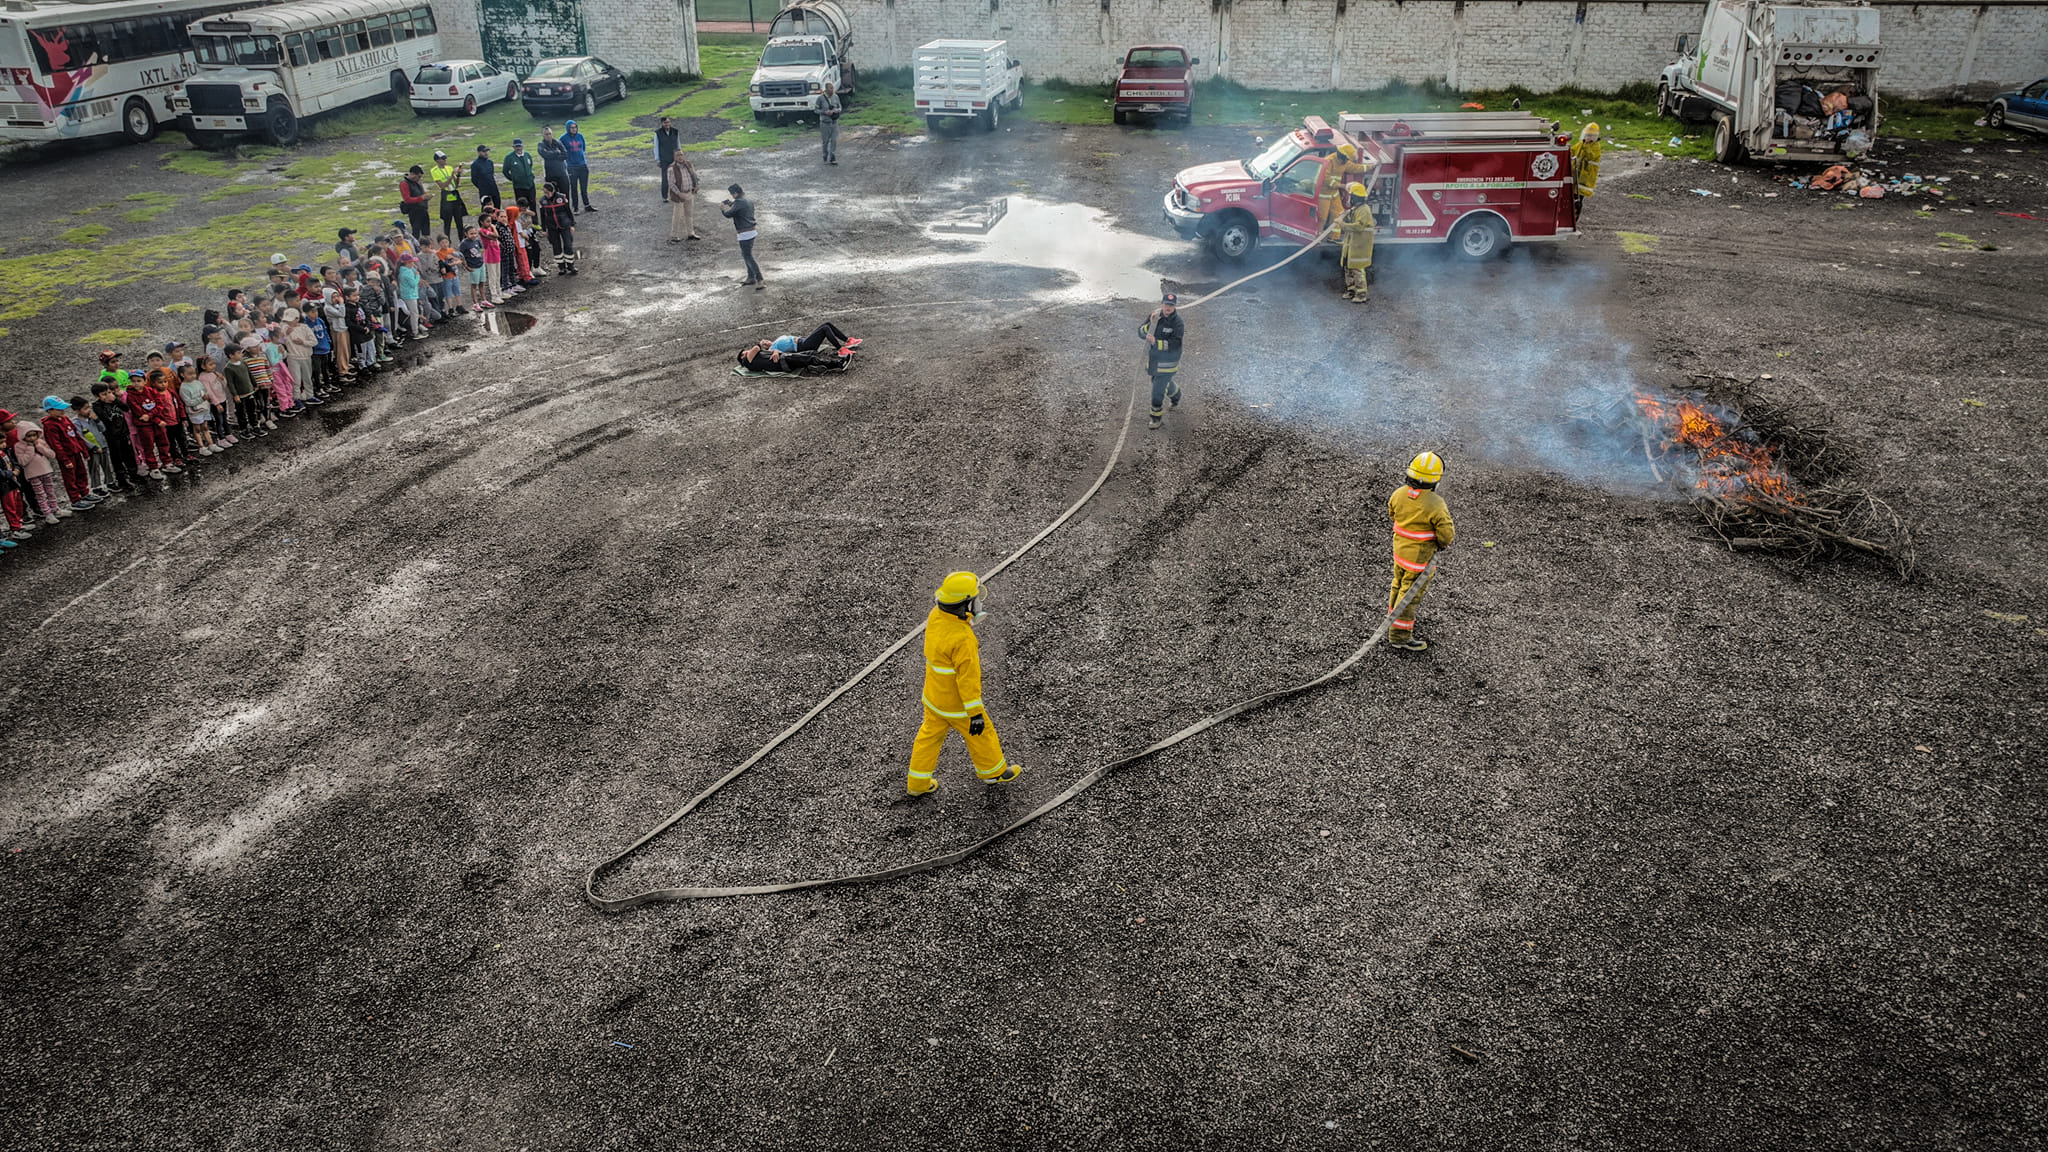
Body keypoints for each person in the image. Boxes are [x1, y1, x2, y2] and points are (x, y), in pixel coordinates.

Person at [906, 571, 1022, 795]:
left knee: (928, 739)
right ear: (965, 604)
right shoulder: (964, 639)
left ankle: (917, 785)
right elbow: (968, 680)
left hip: (933, 698)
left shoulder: (935, 617)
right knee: (982, 734)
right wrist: (975, 713)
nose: (978, 603)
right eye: (975, 599)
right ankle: (994, 773)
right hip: (958, 706)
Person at [1386, 451, 1454, 652]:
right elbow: (1446, 533)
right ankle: (1400, 636)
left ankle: (1392, 620)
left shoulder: (1398, 494)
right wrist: (1441, 543)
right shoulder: (1435, 504)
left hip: (1399, 554)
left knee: (1397, 586)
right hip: (1419, 562)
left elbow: (1392, 514)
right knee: (1409, 596)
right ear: (1435, 481)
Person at [38, 398, 96, 508]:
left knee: (81, 473)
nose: (62, 411)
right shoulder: (50, 425)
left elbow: (76, 435)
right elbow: (56, 445)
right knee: (70, 478)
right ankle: (75, 500)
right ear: (49, 410)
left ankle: (84, 493)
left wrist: (84, 451)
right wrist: (65, 459)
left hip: (76, 452)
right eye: (59, 409)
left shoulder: (65, 419)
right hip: (67, 456)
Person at [1139, 292, 1183, 429]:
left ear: (1175, 306)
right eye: (1166, 304)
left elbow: (1175, 344)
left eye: (1171, 305)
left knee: (1157, 390)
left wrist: (1156, 342)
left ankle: (1156, 418)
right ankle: (1176, 395)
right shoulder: (1155, 317)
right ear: (1162, 304)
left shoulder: (1178, 323)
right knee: (1158, 382)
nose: (1168, 307)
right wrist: (1150, 323)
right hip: (1155, 360)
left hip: (1168, 363)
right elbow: (1140, 333)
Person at [13, 426, 68, 524]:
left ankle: (55, 509)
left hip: (46, 471)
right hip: (33, 474)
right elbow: (23, 462)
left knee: (50, 491)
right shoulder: (18, 446)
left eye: (34, 435)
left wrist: (39, 447)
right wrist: (30, 448)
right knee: (40, 495)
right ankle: (47, 514)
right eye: (28, 436)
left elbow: (52, 455)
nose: (32, 438)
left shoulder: (40, 442)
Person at [90, 383, 140, 490]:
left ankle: (133, 474)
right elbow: (104, 418)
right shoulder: (97, 406)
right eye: (104, 394)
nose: (108, 396)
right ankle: (121, 479)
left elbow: (126, 408)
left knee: (129, 454)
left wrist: (115, 400)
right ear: (97, 396)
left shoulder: (115, 401)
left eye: (109, 392)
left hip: (123, 432)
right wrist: (107, 401)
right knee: (117, 457)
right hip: (112, 437)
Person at [1316, 142, 1367, 240]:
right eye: (1347, 158)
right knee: (1322, 218)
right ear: (1343, 156)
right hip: (1323, 194)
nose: (1347, 161)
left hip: (1334, 194)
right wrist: (1343, 186)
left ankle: (1334, 237)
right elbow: (1325, 178)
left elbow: (1354, 168)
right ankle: (1317, 238)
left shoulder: (1344, 162)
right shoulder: (1329, 161)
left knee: (1338, 214)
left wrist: (1370, 166)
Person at [1338, 180, 1375, 304]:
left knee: (1357, 269)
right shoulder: (1356, 208)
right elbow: (1352, 220)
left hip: (1359, 245)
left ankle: (1362, 294)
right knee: (1348, 267)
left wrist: (1342, 224)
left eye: (1350, 195)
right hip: (1352, 244)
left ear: (1355, 196)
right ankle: (1351, 290)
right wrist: (1345, 215)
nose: (1349, 198)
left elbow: (1358, 227)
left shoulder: (1364, 210)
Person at [721, 183, 762, 288]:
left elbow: (729, 214)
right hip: (751, 231)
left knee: (748, 256)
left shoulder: (738, 202)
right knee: (746, 255)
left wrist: (722, 209)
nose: (731, 196)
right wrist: (731, 204)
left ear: (735, 193)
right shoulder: (747, 200)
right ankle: (751, 277)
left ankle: (759, 279)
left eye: (732, 194)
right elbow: (739, 209)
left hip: (744, 233)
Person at [539, 183, 578, 275]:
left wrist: (572, 224)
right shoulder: (542, 201)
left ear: (553, 191)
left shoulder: (562, 198)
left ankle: (570, 265)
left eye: (548, 192)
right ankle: (561, 267)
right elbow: (542, 216)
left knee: (568, 245)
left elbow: (568, 211)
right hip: (552, 227)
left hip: (564, 224)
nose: (546, 195)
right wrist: (544, 229)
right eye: (544, 193)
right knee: (556, 247)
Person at [431, 149, 468, 235]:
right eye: (443, 158)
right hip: (446, 194)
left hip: (454, 193)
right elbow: (442, 186)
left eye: (445, 158)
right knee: (447, 221)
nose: (445, 160)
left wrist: (458, 175)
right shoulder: (434, 171)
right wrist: (451, 175)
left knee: (459, 219)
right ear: (437, 160)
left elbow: (456, 184)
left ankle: (461, 238)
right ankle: (447, 240)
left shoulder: (449, 168)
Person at [665, 152, 700, 243]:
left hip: (689, 193)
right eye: (678, 155)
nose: (680, 157)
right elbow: (671, 183)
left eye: (681, 155)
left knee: (689, 214)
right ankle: (674, 235)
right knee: (677, 215)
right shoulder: (671, 168)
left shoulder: (688, 164)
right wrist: (679, 193)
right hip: (679, 196)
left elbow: (694, 175)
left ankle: (690, 233)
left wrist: (696, 185)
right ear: (674, 157)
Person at [459, 225, 491, 311]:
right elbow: (460, 256)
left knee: (482, 283)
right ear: (466, 234)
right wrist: (466, 266)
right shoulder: (464, 244)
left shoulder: (477, 241)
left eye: (475, 233)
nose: (473, 235)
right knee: (474, 285)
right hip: (473, 267)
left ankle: (484, 300)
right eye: (471, 234)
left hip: (481, 264)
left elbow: (480, 250)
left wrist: (482, 260)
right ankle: (475, 303)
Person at [562, 119, 592, 211]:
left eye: (575, 127)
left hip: (582, 165)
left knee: (584, 187)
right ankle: (575, 207)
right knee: (574, 188)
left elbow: (583, 148)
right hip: (571, 166)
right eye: (572, 128)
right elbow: (561, 150)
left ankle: (587, 205)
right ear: (568, 128)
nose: (574, 129)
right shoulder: (563, 138)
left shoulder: (580, 136)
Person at [538, 125, 571, 202]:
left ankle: (567, 211)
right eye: (546, 134)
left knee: (565, 195)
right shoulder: (541, 145)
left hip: (562, 173)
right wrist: (556, 152)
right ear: (543, 135)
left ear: (552, 134)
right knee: (552, 196)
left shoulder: (557, 142)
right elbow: (544, 154)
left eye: (550, 134)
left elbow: (565, 154)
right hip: (551, 175)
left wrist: (552, 156)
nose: (548, 136)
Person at [1570, 122, 1602, 199]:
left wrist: (1586, 146)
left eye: (1590, 136)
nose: (1588, 137)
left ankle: (1578, 208)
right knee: (1573, 192)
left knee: (1580, 194)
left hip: (1587, 173)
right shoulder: (1581, 143)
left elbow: (1590, 156)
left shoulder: (1596, 146)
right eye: (1587, 135)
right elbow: (1573, 151)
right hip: (1577, 171)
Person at [502, 138, 537, 207]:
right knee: (522, 206)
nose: (518, 148)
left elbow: (530, 165)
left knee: (533, 204)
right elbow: (505, 171)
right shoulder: (509, 157)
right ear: (513, 147)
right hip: (519, 187)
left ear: (522, 146)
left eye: (519, 146)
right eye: (516, 146)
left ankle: (534, 218)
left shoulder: (527, 155)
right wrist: (513, 179)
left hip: (530, 185)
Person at [399, 165, 432, 238]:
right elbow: (407, 199)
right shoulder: (404, 184)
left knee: (426, 231)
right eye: (418, 177)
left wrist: (425, 196)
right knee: (416, 231)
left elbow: (422, 193)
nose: (419, 179)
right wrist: (421, 198)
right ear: (413, 174)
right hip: (414, 211)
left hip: (423, 209)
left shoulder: (417, 182)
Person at [655, 116, 680, 200]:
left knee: (677, 176)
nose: (667, 124)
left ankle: (677, 194)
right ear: (662, 123)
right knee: (665, 178)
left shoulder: (675, 131)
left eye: (668, 122)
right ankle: (665, 197)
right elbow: (656, 147)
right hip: (664, 159)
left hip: (675, 158)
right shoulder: (657, 133)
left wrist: (680, 155)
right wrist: (657, 159)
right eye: (665, 122)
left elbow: (678, 144)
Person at [470, 143, 500, 209]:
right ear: (479, 152)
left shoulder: (490, 162)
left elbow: (491, 174)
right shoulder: (475, 164)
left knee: (497, 205)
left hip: (493, 187)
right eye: (484, 152)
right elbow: (474, 179)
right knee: (487, 208)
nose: (486, 153)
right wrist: (481, 186)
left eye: (486, 151)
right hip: (484, 189)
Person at [818, 82, 841, 164]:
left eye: (832, 88)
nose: (832, 90)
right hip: (825, 123)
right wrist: (824, 112)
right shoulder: (820, 98)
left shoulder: (836, 97)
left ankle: (833, 158)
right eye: (830, 88)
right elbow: (815, 110)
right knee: (825, 141)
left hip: (834, 122)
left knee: (834, 140)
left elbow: (840, 107)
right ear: (826, 89)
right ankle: (825, 156)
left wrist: (838, 110)